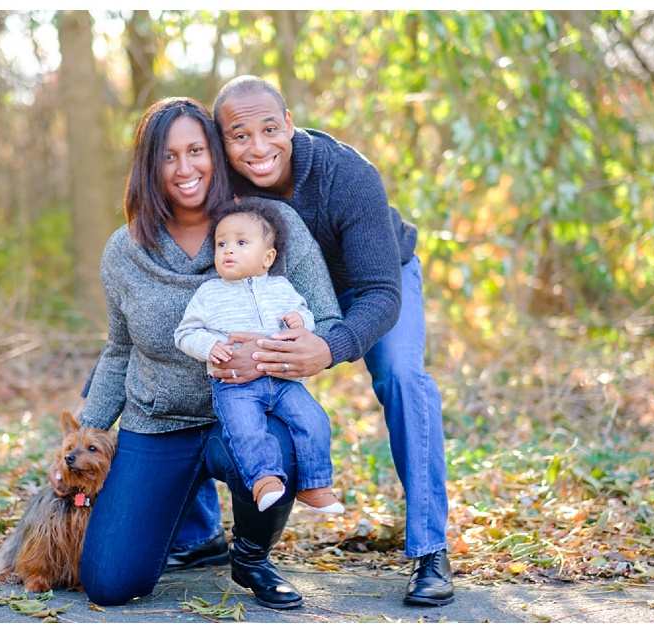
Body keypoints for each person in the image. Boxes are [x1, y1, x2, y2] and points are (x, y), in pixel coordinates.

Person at [74, 97, 342, 610]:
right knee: (109, 582)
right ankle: (186, 531)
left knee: (280, 442)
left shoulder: (269, 225)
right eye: (168, 156)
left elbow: (325, 322)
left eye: (196, 150)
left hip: (248, 411)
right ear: (148, 168)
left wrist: (267, 355)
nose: (185, 168)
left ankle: (252, 557)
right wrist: (86, 430)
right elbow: (119, 349)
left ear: (215, 155)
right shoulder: (125, 250)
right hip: (157, 423)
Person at [212, 74, 454, 606]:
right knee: (223, 358)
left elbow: (380, 294)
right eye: (240, 135)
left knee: (402, 376)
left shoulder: (347, 175)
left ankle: (431, 549)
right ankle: (204, 533)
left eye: (270, 128)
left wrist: (330, 345)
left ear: (290, 124)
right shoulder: (221, 184)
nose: (258, 147)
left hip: (374, 282)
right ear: (223, 141)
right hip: (281, 296)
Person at [174, 197, 344, 515]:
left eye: (241, 242)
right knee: (246, 429)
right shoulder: (209, 294)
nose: (228, 250)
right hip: (234, 385)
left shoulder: (281, 288)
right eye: (221, 243)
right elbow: (185, 333)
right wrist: (209, 346)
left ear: (267, 258)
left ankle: (316, 484)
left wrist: (301, 322)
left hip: (283, 381)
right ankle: (263, 480)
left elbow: (304, 317)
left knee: (313, 420)